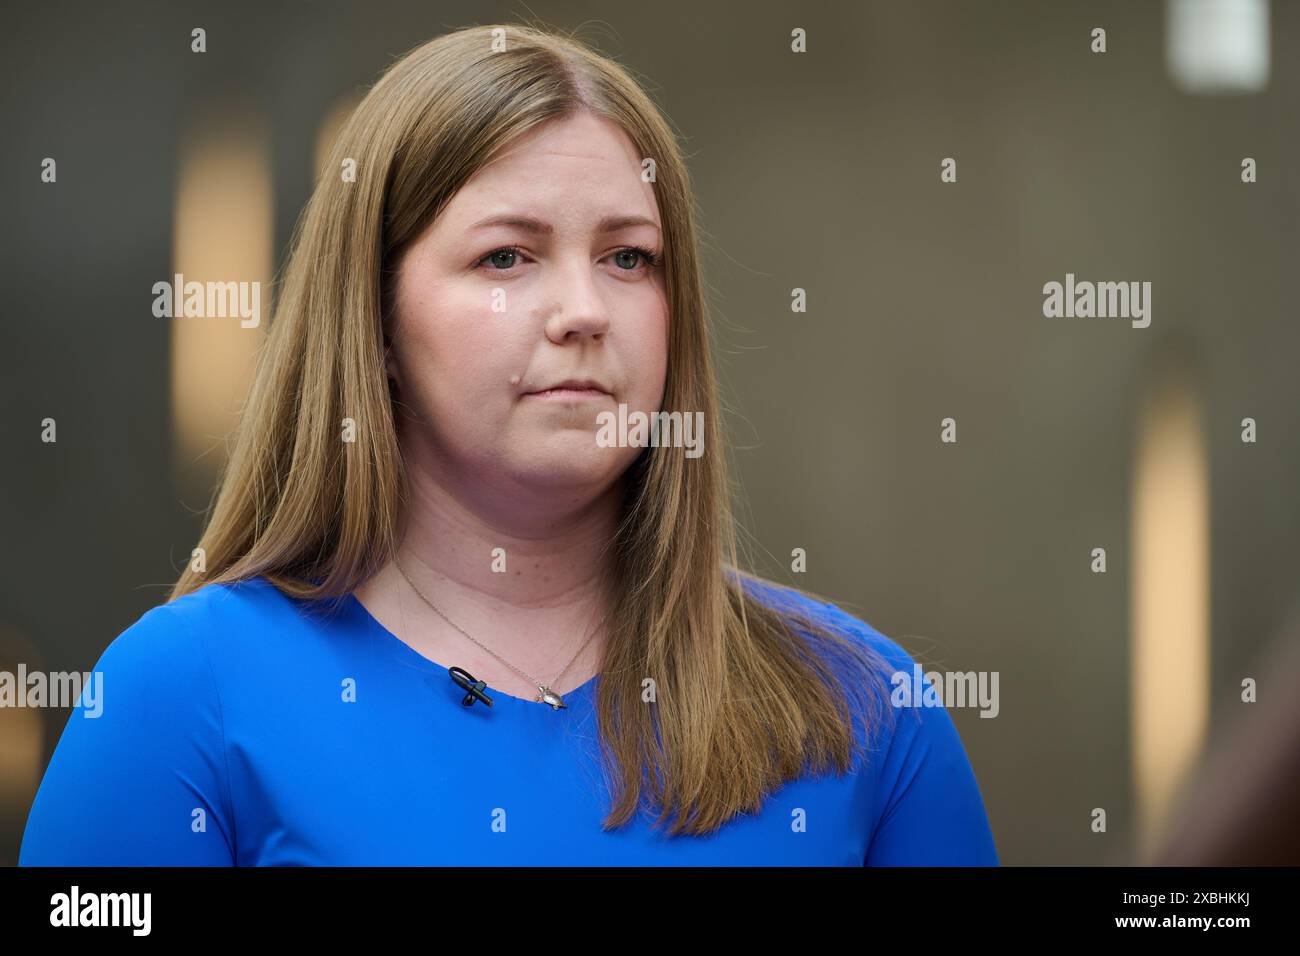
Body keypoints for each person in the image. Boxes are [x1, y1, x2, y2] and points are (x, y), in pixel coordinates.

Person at [19, 23, 997, 866]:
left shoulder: (868, 712)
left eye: (628, 257)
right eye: (506, 255)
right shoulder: (180, 695)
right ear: (377, 323)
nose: (583, 310)